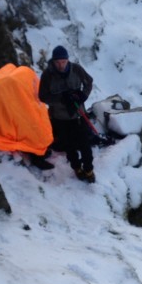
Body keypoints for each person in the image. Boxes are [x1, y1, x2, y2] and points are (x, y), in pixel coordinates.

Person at [38, 45, 96, 182]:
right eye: (58, 62)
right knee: (70, 147)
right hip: (60, 118)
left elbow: (89, 82)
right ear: (53, 61)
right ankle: (77, 168)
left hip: (79, 114)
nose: (61, 65)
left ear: (67, 60)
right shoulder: (48, 75)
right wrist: (61, 98)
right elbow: (43, 97)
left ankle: (89, 170)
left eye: (63, 61)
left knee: (85, 145)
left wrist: (83, 96)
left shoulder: (76, 69)